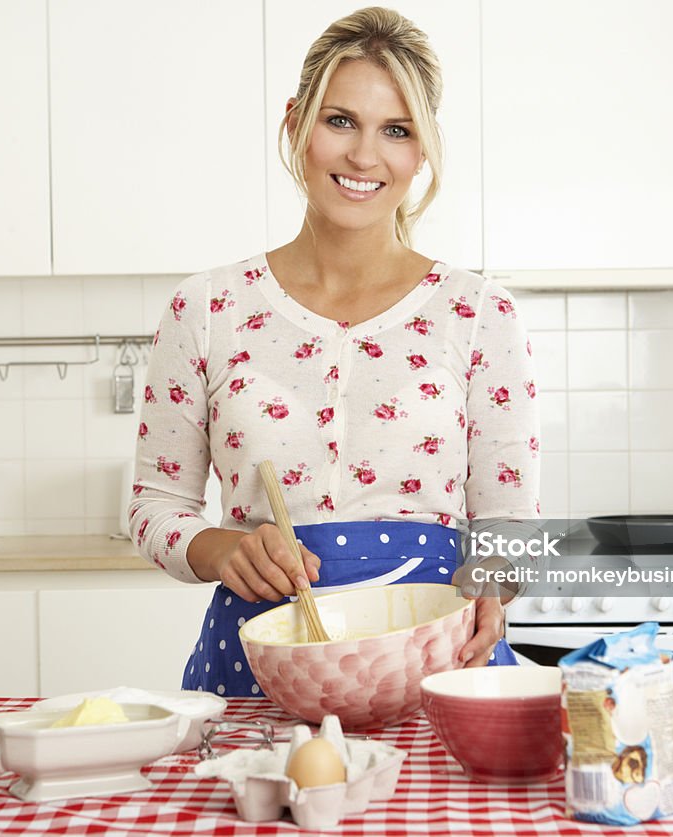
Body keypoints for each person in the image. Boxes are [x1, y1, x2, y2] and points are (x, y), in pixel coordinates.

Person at [129, 6, 540, 697]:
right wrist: (222, 547)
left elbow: (509, 523)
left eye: (397, 131)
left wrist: (493, 593)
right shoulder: (206, 307)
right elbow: (154, 506)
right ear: (296, 123)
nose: (363, 156)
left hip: (435, 670)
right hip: (258, 672)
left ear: (421, 152)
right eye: (340, 120)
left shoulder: (479, 314)